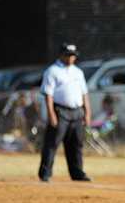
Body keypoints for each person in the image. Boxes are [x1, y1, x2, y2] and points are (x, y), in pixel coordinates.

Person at [38, 43, 92, 182]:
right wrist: (51, 115)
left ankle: (77, 172)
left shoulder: (78, 72)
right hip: (60, 111)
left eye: (73, 55)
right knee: (52, 143)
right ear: (61, 55)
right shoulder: (52, 71)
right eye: (68, 55)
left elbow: (84, 93)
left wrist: (87, 113)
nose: (71, 58)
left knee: (76, 144)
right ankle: (45, 173)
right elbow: (48, 95)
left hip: (77, 112)